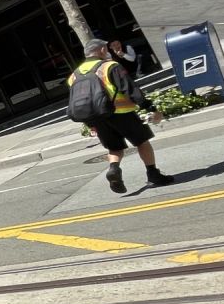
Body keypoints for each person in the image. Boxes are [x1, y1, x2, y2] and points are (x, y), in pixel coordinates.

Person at [70, 38, 174, 193]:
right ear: (102, 50)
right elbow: (130, 89)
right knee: (142, 142)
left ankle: (114, 169)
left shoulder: (74, 75)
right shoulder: (110, 66)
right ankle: (153, 173)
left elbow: (80, 101)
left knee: (114, 148)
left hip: (98, 118)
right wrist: (150, 107)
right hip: (122, 113)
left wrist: (90, 124)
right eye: (106, 48)